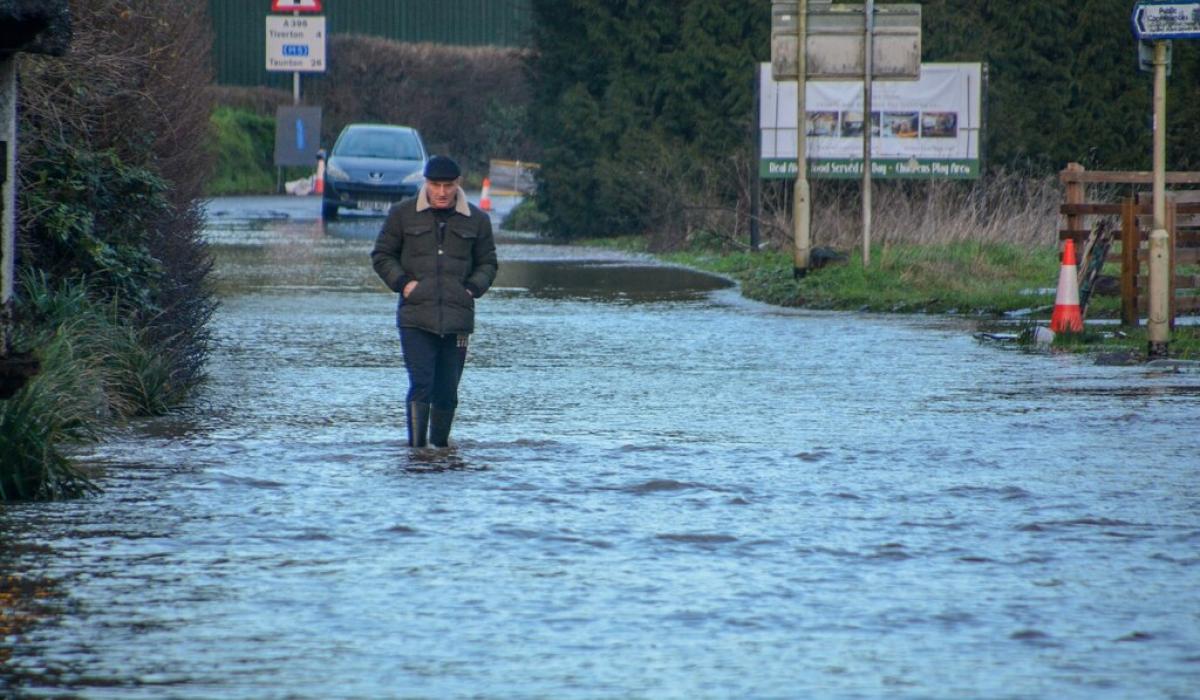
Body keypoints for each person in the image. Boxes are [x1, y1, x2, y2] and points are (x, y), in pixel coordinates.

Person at [371, 155, 498, 447]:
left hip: (457, 319)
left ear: (458, 184)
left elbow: (488, 263)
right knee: (421, 384)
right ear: (426, 183)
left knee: (447, 391)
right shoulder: (402, 214)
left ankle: (440, 451)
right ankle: (417, 452)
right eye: (436, 185)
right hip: (415, 317)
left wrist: (471, 289)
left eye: (448, 186)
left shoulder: (478, 220)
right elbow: (382, 255)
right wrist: (404, 284)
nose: (441, 192)